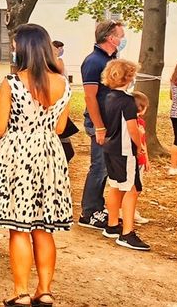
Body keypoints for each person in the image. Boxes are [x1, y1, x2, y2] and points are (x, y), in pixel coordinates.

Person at [0, 24, 72, 306]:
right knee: (44, 227)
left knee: (19, 226)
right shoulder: (63, 83)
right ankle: (44, 290)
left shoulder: (12, 82)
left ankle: (21, 292)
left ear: (23, 49)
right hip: (50, 154)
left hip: (18, 154)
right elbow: (60, 128)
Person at [79, 19, 126, 230]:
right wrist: (98, 126)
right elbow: (90, 97)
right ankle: (89, 212)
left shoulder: (111, 59)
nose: (123, 39)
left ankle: (97, 207)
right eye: (120, 35)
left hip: (111, 122)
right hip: (100, 124)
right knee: (99, 167)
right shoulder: (94, 61)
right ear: (110, 37)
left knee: (106, 167)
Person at [98, 59, 150, 251]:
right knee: (132, 188)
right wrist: (139, 146)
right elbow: (132, 127)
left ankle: (112, 224)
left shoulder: (108, 97)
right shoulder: (128, 101)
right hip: (125, 150)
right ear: (128, 77)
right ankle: (127, 233)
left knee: (115, 185)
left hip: (110, 148)